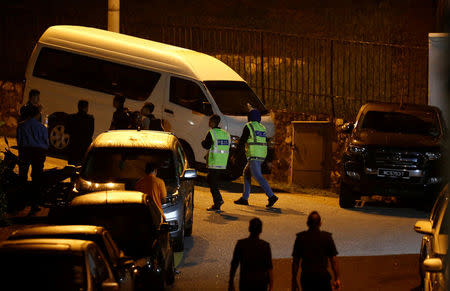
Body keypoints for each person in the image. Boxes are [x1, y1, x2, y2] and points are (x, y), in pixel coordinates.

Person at [234, 109, 279, 207]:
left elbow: (242, 141)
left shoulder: (249, 126)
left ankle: (271, 196)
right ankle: (245, 198)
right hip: (262, 155)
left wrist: (236, 153)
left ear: (249, 117)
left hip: (254, 154)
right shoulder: (261, 127)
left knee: (258, 176)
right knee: (246, 173)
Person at [291, 211, 341, 291]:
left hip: (307, 277)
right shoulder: (327, 237)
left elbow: (296, 262)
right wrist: (337, 278)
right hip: (322, 277)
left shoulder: (300, 238)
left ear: (307, 223)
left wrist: (294, 279)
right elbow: (333, 260)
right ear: (320, 224)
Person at [16, 105, 49, 215]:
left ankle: (20, 202)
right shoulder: (42, 128)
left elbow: (19, 142)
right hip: (39, 152)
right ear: (37, 114)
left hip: (25, 151)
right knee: (36, 178)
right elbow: (46, 143)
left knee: (22, 176)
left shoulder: (21, 126)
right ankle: (34, 205)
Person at [229, 217, 273, 291]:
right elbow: (269, 267)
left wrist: (231, 282)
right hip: (261, 283)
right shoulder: (265, 245)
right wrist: (271, 286)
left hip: (245, 282)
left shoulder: (241, 244)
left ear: (249, 228)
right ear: (261, 230)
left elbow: (234, 264)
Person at [201, 114, 230, 212]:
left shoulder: (211, 133)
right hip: (222, 162)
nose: (209, 123)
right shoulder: (225, 133)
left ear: (213, 122)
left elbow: (206, 145)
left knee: (212, 182)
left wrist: (203, 142)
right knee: (211, 180)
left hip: (214, 162)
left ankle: (218, 201)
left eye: (210, 121)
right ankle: (218, 201)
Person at [66, 100, 94, 165]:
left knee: (71, 165)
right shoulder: (90, 119)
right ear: (86, 108)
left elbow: (67, 131)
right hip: (84, 147)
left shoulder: (71, 117)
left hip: (73, 146)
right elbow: (90, 133)